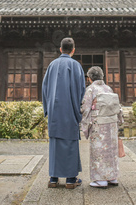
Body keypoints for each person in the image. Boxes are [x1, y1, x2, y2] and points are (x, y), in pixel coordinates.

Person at [42, 37, 86, 189]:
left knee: (55, 144)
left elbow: (45, 88)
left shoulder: (52, 65)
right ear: (73, 50)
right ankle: (70, 180)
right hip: (70, 110)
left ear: (60, 49)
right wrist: (80, 110)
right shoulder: (76, 66)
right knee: (70, 144)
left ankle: (53, 179)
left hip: (55, 112)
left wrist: (47, 109)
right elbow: (81, 90)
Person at [80, 66, 124, 189]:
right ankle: (112, 177)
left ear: (89, 78)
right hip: (112, 124)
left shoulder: (91, 89)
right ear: (102, 77)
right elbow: (117, 106)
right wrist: (119, 120)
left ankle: (100, 179)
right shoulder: (108, 88)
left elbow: (85, 108)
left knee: (99, 151)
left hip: (99, 125)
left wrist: (84, 123)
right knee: (111, 150)